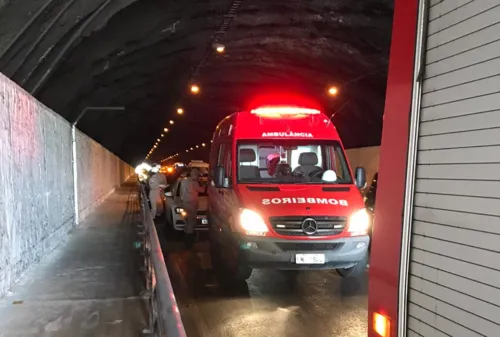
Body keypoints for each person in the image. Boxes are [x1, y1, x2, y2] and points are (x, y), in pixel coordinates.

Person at [179, 168, 207, 248]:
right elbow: (202, 190)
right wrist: (204, 184)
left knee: (187, 221)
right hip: (191, 205)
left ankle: (185, 238)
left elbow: (181, 192)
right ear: (196, 175)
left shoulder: (183, 181)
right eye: (198, 175)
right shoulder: (194, 183)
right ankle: (189, 241)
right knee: (191, 222)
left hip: (184, 203)